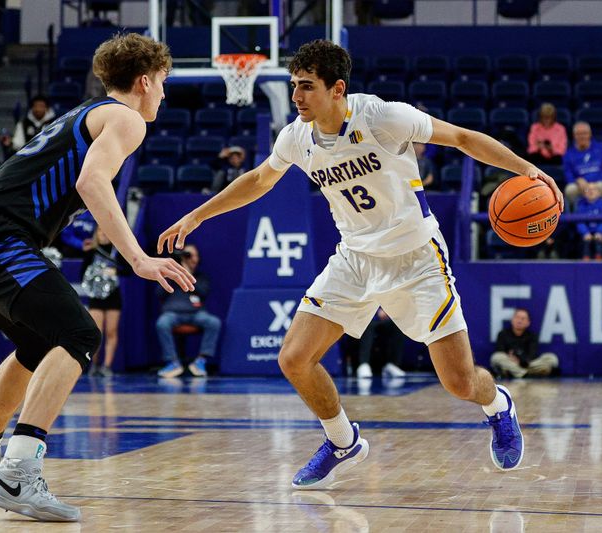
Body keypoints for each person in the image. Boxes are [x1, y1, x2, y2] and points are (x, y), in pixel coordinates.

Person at [159, 39, 564, 488]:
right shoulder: (296, 136)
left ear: (337, 89)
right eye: (294, 85)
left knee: (461, 383)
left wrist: (528, 170)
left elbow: (463, 138)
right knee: (294, 358)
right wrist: (198, 214)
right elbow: (258, 179)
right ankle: (342, 441)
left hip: (416, 260)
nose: (296, 97)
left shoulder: (383, 117)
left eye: (306, 87)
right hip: (354, 258)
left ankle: (498, 406)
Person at [0, 33, 194, 522]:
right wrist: (140, 258)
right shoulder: (125, 119)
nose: (163, 95)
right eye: (163, 83)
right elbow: (91, 181)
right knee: (80, 333)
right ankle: (17, 471)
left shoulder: (88, 113)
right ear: (144, 81)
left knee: (36, 347)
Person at [156, 244, 221, 378]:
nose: (190, 258)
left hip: (196, 314)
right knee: (162, 323)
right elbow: (159, 293)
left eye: (192, 255)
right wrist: (173, 272)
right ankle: (173, 362)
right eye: (187, 255)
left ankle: (200, 361)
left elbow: (203, 292)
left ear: (198, 259)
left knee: (213, 322)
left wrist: (187, 273)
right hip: (173, 313)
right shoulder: (171, 275)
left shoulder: (201, 277)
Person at [81, 226, 130, 376]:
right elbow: (83, 273)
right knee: (96, 332)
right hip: (96, 296)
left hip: (113, 296)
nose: (103, 235)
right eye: (101, 231)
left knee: (111, 331)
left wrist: (115, 271)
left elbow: (128, 270)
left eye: (106, 231)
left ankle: (107, 366)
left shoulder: (117, 251)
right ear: (96, 234)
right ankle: (94, 365)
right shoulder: (90, 251)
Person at [563, 121, 602, 205]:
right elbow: (568, 175)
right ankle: (577, 215)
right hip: (581, 187)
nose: (582, 137)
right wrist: (577, 180)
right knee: (570, 189)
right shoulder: (568, 154)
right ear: (574, 136)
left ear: (590, 134)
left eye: (584, 133)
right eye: (578, 134)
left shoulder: (601, 148)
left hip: (600, 185)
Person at [490, 308, 559, 378]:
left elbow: (532, 355)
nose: (519, 321)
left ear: (528, 323)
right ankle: (526, 373)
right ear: (512, 320)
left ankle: (517, 373)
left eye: (523, 319)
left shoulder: (532, 336)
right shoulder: (503, 334)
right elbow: (500, 351)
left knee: (552, 358)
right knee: (496, 357)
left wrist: (521, 361)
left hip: (528, 364)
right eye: (517, 317)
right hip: (511, 362)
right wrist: (511, 358)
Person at [0, 95, 56, 160]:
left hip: (48, 158)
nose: (38, 109)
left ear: (47, 108)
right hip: (28, 159)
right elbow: (18, 144)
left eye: (41, 106)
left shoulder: (54, 123)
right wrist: (10, 143)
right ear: (32, 108)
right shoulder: (23, 123)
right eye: (35, 106)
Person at [356, 308, 406, 379]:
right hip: (369, 317)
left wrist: (388, 311)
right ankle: (363, 364)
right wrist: (376, 312)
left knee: (398, 325)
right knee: (367, 325)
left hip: (387, 317)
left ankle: (392, 364)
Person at [575, 182, 602, 261]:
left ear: (599, 193)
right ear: (584, 193)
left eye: (594, 189)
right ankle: (585, 260)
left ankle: (599, 259)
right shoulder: (581, 204)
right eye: (588, 189)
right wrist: (585, 232)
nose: (591, 191)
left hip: (600, 232)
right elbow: (579, 221)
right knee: (585, 242)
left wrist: (600, 232)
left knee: (599, 242)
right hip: (586, 232)